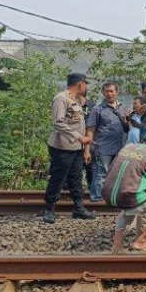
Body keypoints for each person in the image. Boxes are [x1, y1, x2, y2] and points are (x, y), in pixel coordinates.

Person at [43, 73, 96, 224]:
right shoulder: (61, 98)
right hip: (62, 147)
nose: (86, 87)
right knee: (58, 178)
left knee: (76, 178)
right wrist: (79, 137)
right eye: (85, 84)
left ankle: (78, 208)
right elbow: (58, 123)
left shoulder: (75, 100)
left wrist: (83, 143)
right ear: (80, 84)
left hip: (75, 148)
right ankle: (49, 209)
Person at [84, 81, 129, 202]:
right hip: (103, 148)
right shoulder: (97, 110)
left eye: (111, 91)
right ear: (103, 93)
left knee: (117, 175)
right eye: (107, 91)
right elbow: (90, 130)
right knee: (101, 174)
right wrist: (87, 150)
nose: (109, 94)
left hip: (120, 148)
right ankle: (97, 199)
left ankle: (111, 198)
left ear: (116, 92)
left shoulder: (123, 108)